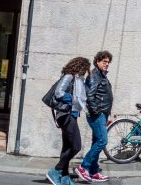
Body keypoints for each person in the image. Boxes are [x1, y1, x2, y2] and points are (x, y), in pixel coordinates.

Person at [46, 57, 90, 185]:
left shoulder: (77, 79)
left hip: (71, 115)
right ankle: (55, 171)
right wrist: (73, 99)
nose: (85, 72)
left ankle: (64, 178)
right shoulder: (69, 76)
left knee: (67, 148)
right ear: (79, 66)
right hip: (66, 115)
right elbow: (59, 92)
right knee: (76, 146)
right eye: (84, 68)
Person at [77, 51, 113, 184]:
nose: (107, 64)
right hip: (97, 115)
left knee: (96, 141)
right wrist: (97, 112)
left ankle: (93, 171)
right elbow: (89, 96)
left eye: (108, 62)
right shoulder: (94, 75)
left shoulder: (101, 75)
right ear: (97, 61)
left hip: (101, 114)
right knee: (103, 140)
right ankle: (83, 167)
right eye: (104, 61)